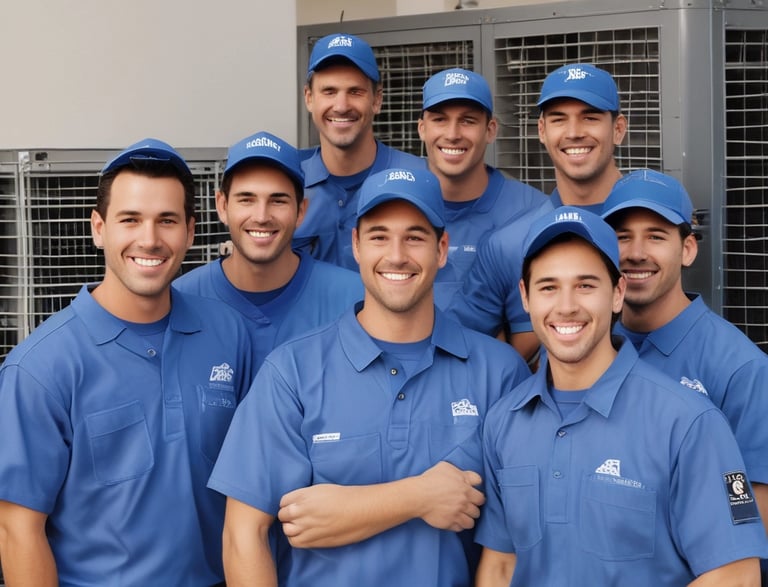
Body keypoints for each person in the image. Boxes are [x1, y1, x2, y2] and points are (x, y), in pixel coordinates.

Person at [209, 167, 530, 586]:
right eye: (379, 236)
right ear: (356, 246)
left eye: (415, 237)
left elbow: (510, 550)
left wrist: (342, 508)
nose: (396, 255)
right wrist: (418, 497)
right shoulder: (292, 372)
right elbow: (243, 534)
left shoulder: (499, 374)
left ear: (442, 248)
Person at [0, 139, 255, 586]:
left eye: (167, 221)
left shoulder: (228, 334)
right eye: (130, 220)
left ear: (191, 231)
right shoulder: (40, 368)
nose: (150, 240)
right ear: (99, 228)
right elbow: (18, 529)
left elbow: (251, 488)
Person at [474, 206, 768, 586]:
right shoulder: (504, 422)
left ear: (617, 293)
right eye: (549, 287)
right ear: (525, 297)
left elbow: (736, 576)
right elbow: (500, 567)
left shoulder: (688, 422)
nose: (566, 306)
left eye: (585, 285)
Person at [600, 169, 768, 577]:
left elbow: (754, 512)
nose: (636, 252)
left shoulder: (740, 367)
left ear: (688, 248)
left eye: (656, 236)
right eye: (622, 236)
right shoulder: (587, 349)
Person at [449, 63, 626, 361]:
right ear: (542, 130)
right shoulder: (509, 243)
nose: (574, 132)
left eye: (590, 117)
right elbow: (461, 347)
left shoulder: (652, 229)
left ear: (618, 129)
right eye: (559, 119)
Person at [174, 130, 363, 368]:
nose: (262, 216)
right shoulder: (181, 299)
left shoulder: (353, 299)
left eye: (278, 200)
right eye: (246, 199)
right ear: (222, 206)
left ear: (301, 211)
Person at [418, 67, 549, 309]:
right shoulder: (396, 204)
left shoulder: (534, 211)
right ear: (422, 129)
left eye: (467, 121)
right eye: (439, 120)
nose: (453, 134)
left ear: (490, 130)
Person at [293, 32, 425, 270]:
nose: (341, 106)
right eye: (329, 91)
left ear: (377, 100)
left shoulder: (419, 178)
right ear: (309, 98)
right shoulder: (287, 181)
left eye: (355, 92)